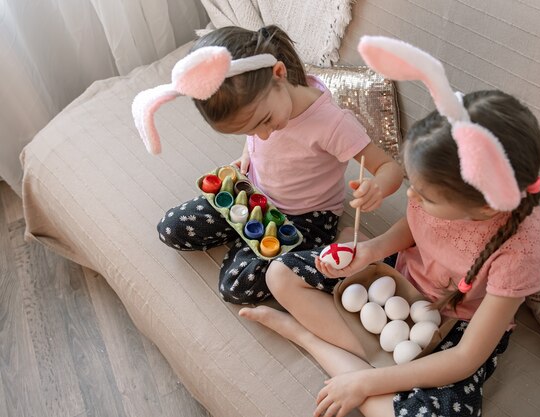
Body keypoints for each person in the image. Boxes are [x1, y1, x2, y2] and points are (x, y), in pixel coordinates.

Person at [239, 35, 540, 417]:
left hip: (454, 327)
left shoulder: (522, 247)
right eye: (412, 186)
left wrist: (366, 384)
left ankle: (316, 343)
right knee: (279, 275)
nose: (410, 198)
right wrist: (370, 251)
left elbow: (468, 357)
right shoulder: (435, 186)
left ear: (485, 209)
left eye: (426, 197)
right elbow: (415, 228)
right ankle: (362, 360)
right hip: (397, 283)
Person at [131, 26, 404, 304]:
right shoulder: (261, 101)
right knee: (171, 227)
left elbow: (391, 169)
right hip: (253, 195)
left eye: (264, 122)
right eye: (249, 130)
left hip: (305, 216)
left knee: (235, 286)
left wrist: (377, 188)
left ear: (279, 74)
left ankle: (346, 257)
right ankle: (254, 243)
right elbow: (256, 135)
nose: (261, 134)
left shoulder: (332, 124)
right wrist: (248, 154)